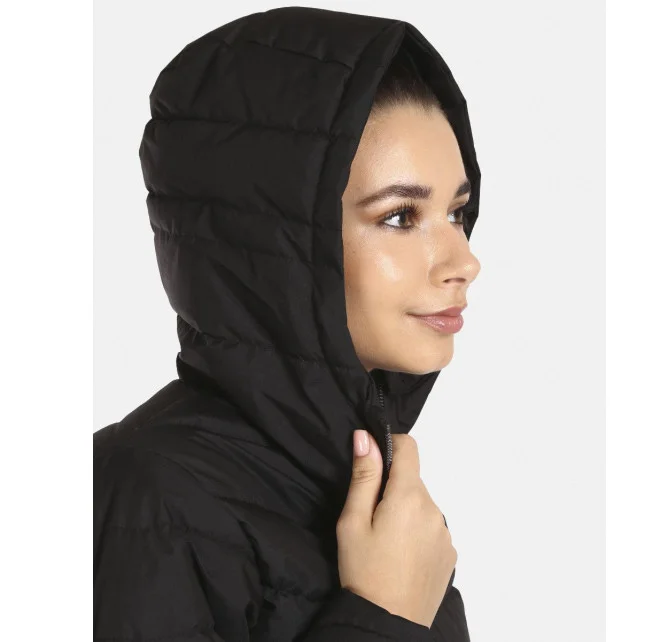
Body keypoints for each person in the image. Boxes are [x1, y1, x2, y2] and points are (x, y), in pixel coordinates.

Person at [94, 6, 482, 641]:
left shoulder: (367, 490)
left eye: (457, 213)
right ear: (276, 246)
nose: (464, 262)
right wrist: (383, 616)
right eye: (399, 217)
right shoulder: (145, 496)